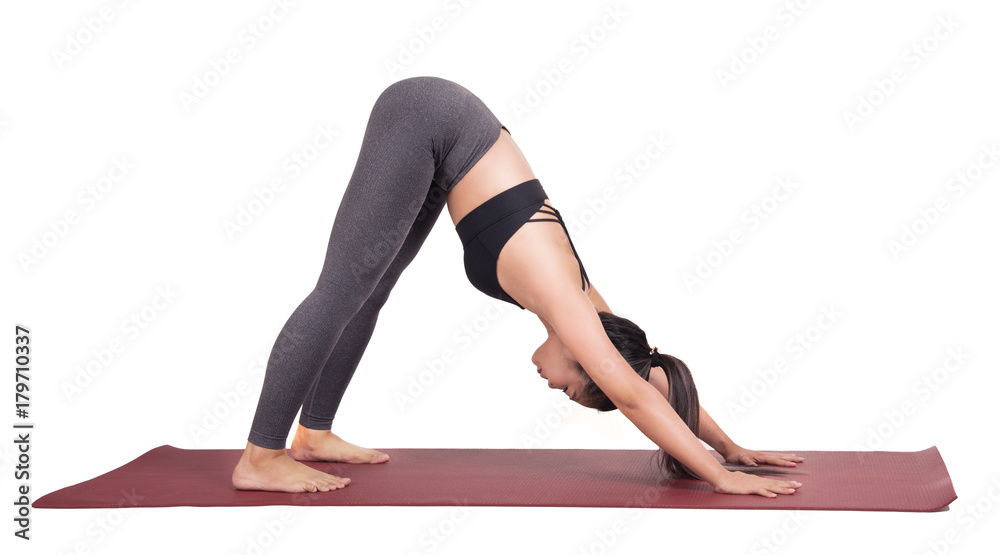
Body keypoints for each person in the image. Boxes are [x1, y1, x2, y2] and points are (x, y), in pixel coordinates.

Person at [231, 76, 804, 497]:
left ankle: (313, 433)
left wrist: (727, 444)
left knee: (369, 290)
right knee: (342, 287)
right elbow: (629, 391)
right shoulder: (564, 299)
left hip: (445, 142)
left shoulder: (586, 309)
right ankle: (261, 455)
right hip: (428, 115)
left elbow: (648, 372)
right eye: (573, 389)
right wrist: (720, 477)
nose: (557, 388)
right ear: (587, 359)